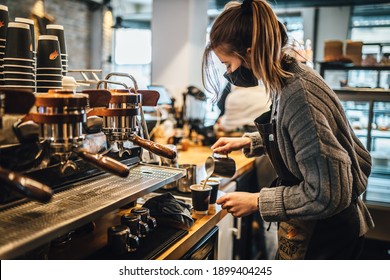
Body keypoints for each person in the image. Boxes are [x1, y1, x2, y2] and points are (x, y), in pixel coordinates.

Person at [202, 0, 374, 260]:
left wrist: (257, 201)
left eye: (228, 65)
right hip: (315, 226)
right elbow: (294, 134)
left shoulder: (299, 95)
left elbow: (326, 194)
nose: (228, 74)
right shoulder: (288, 77)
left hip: (327, 236)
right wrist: (248, 141)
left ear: (249, 53)